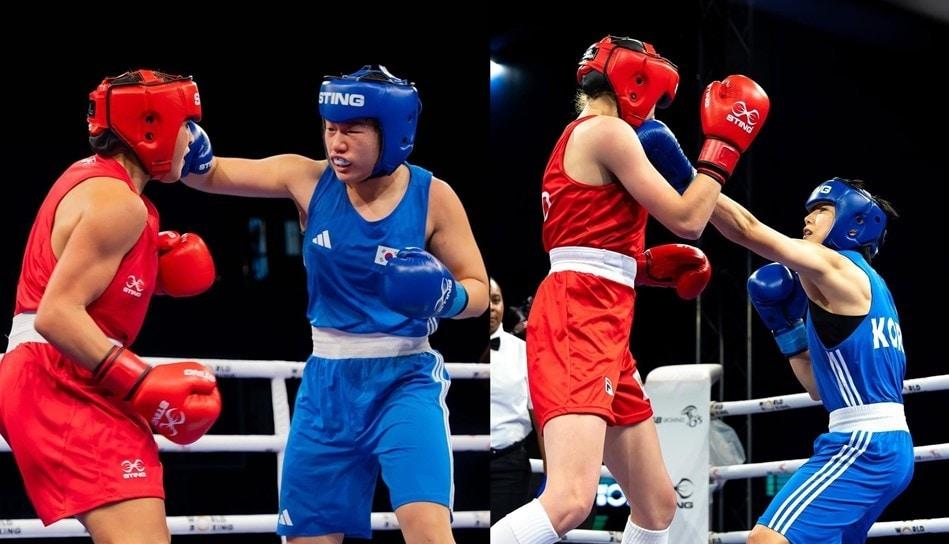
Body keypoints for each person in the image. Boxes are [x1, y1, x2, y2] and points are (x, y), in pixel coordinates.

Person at [179, 65, 489, 543]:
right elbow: (210, 174)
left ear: (391, 133)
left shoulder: (433, 197)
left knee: (429, 532)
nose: (337, 144)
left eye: (352, 130)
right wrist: (181, 140)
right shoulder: (306, 178)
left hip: (404, 381)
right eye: (330, 129)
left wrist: (447, 296)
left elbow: (478, 289)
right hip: (327, 384)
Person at [490, 35, 770, 544]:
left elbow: (582, 239)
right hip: (581, 313)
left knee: (657, 505)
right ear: (638, 84)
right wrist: (722, 148)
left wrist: (639, 266)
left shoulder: (587, 136)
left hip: (601, 309)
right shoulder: (608, 133)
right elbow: (688, 219)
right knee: (570, 500)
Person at [636, 124, 911, 542]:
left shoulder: (838, 267)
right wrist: (786, 329)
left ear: (853, 225)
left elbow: (745, 228)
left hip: (862, 445)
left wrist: (688, 178)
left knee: (764, 539)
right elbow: (821, 389)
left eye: (822, 209)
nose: (808, 217)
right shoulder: (868, 288)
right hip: (879, 444)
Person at [0, 69, 222, 543]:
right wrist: (139, 379)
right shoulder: (119, 205)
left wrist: (154, 276)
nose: (195, 139)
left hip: (65, 371)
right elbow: (56, 314)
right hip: (61, 374)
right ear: (151, 126)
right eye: (187, 124)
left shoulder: (89, 179)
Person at [490, 277, 543, 521]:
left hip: (508, 464)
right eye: (486, 300)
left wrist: (552, 474)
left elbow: (539, 417)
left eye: (497, 300)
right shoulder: (449, 349)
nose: (491, 307)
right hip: (462, 459)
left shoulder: (523, 351)